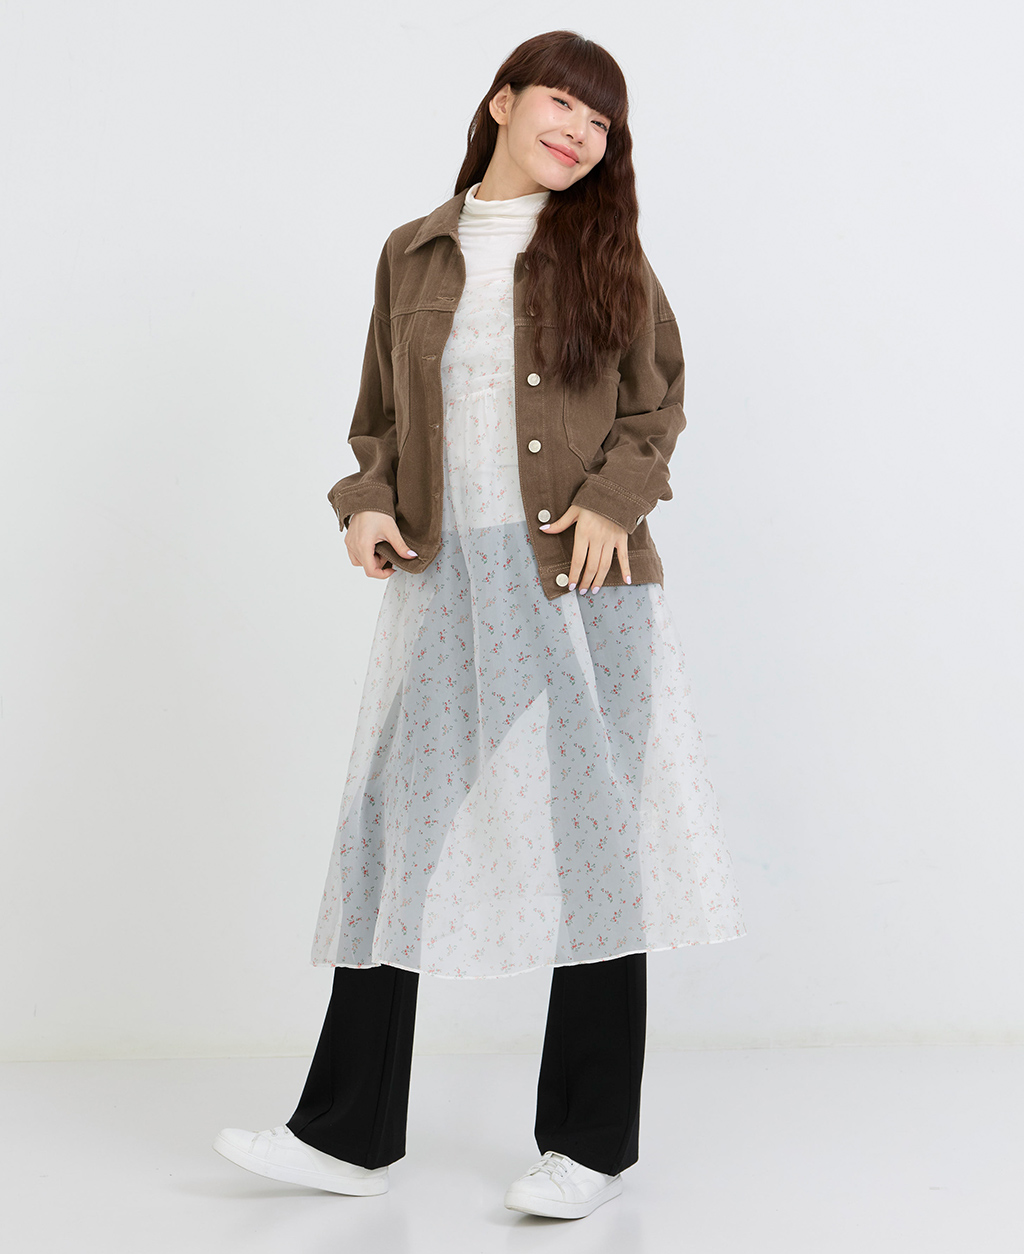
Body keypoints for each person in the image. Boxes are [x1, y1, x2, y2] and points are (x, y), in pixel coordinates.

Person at [213, 29, 746, 1221]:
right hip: (450, 583)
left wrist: (611, 501)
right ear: (502, 102)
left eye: (600, 123)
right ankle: (346, 1134)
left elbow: (654, 407)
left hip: (585, 589)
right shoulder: (412, 253)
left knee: (595, 848)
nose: (579, 133)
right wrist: (364, 503)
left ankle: (590, 1148)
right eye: (563, 103)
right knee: (388, 837)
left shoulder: (609, 256)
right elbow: (377, 420)